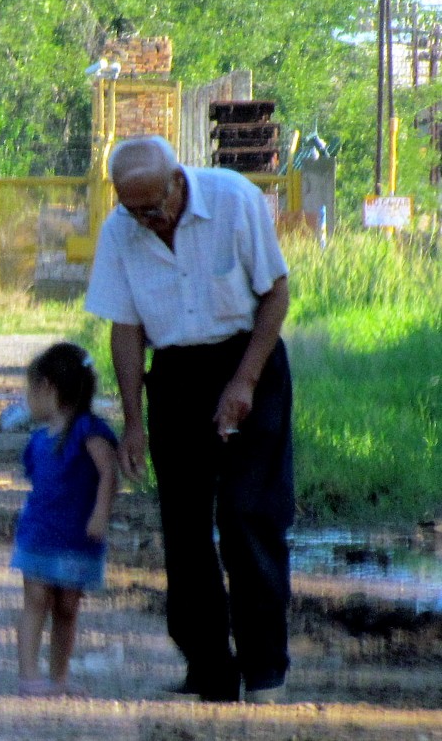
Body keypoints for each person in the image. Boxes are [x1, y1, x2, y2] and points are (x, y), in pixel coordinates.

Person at [84, 135, 295, 703]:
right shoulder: (119, 231)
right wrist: (133, 421)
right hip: (175, 375)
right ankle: (208, 671)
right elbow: (125, 330)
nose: (147, 222)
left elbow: (276, 294)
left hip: (248, 354)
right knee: (184, 528)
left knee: (249, 512)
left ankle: (265, 670)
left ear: (178, 180)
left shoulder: (235, 198)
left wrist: (245, 381)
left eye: (155, 209)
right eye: (134, 212)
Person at [11, 342, 121, 697]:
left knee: (67, 606)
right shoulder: (38, 440)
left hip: (76, 537)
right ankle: (28, 675)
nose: (28, 398)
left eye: (30, 390)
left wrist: (101, 513)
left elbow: (108, 472)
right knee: (36, 599)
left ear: (47, 387)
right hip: (39, 534)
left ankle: (59, 677)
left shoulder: (89, 431)